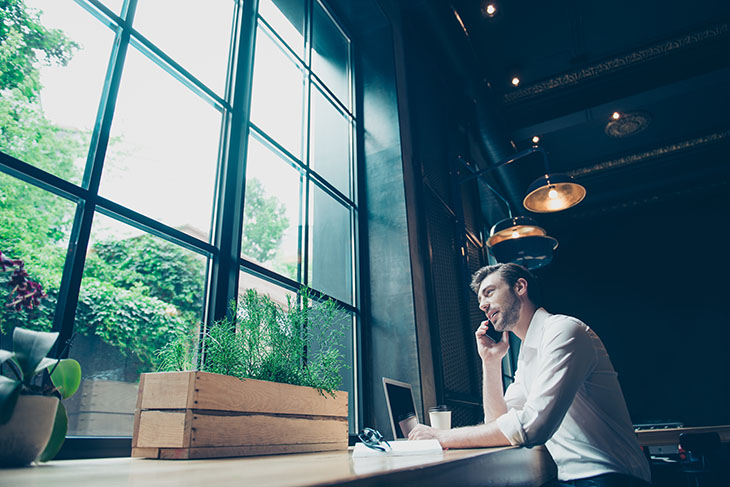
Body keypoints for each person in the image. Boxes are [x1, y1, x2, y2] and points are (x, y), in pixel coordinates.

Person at [408, 263, 651, 486]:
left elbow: (533, 427)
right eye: (480, 300)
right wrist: (490, 363)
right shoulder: (527, 354)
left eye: (489, 292)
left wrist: (441, 436)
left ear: (520, 286)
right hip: (574, 478)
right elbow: (497, 423)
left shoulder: (563, 331)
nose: (482, 305)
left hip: (611, 477)